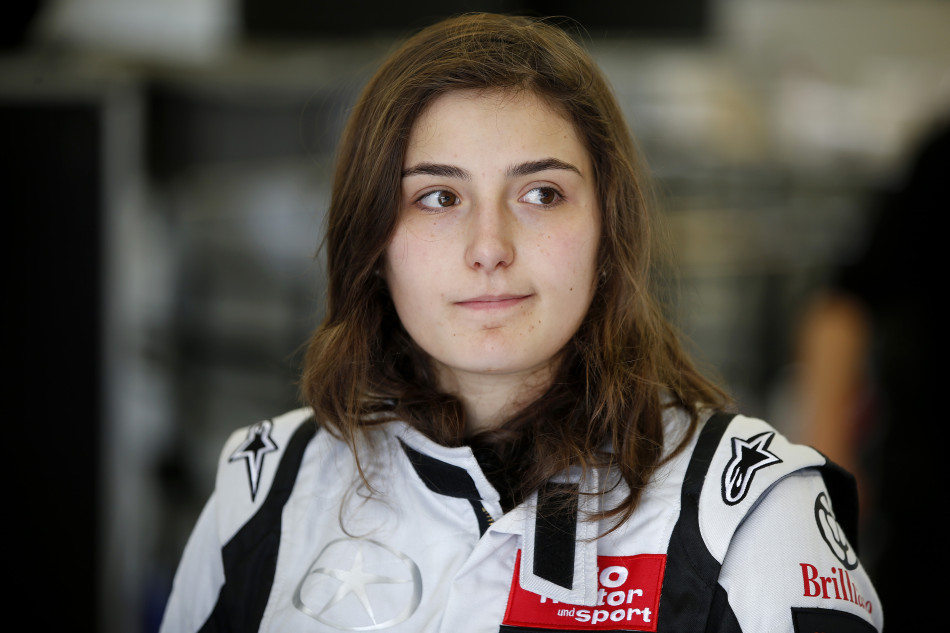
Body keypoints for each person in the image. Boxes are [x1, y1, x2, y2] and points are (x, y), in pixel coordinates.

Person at [159, 13, 882, 633]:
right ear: (372, 243)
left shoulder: (750, 509)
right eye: (439, 197)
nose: (489, 248)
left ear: (609, 232)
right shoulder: (268, 484)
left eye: (540, 193)